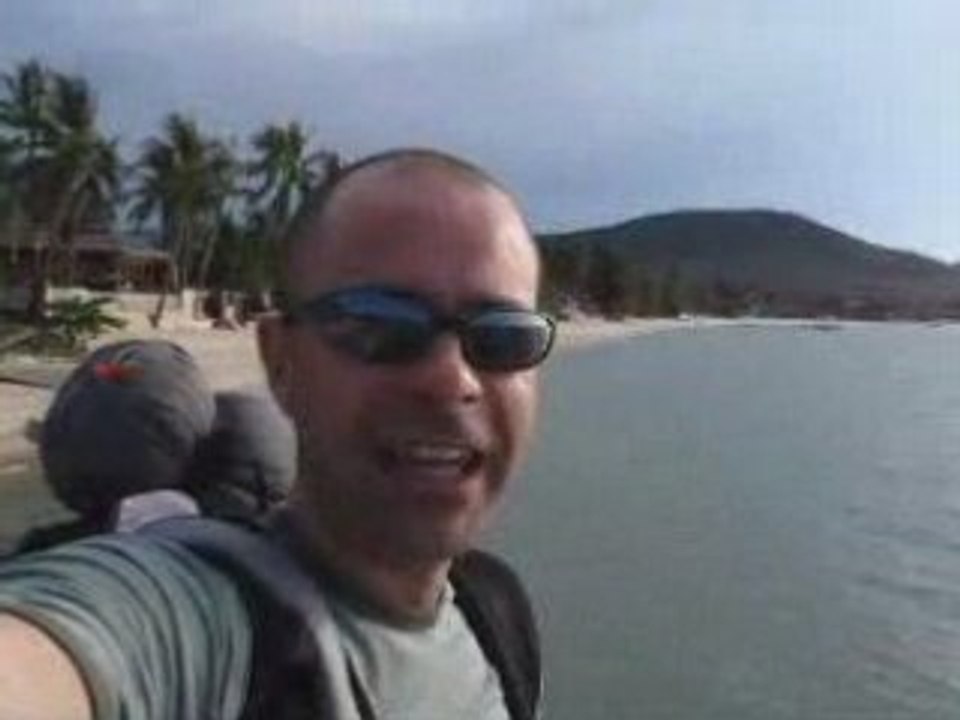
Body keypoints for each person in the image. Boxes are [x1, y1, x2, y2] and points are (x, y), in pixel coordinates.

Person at [0, 148, 555, 720]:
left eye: (503, 336)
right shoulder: (193, 618)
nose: (453, 380)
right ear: (281, 361)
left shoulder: (494, 614)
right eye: (380, 325)